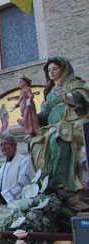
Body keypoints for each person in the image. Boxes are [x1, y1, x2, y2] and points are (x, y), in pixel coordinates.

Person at [29, 57, 89, 192]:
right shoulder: (50, 92)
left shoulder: (73, 83)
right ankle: (45, 179)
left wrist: (69, 98)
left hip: (72, 122)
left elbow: (82, 96)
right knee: (36, 142)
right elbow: (45, 114)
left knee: (55, 137)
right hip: (53, 125)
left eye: (55, 69)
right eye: (49, 70)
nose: (51, 72)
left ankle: (61, 181)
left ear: (64, 69)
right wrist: (31, 118)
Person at [0, 133, 33, 210]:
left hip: (19, 208)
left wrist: (3, 197)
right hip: (5, 208)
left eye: (6, 144)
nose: (3, 147)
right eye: (1, 145)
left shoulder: (24, 161)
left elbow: (23, 184)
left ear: (14, 145)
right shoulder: (3, 167)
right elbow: (0, 187)